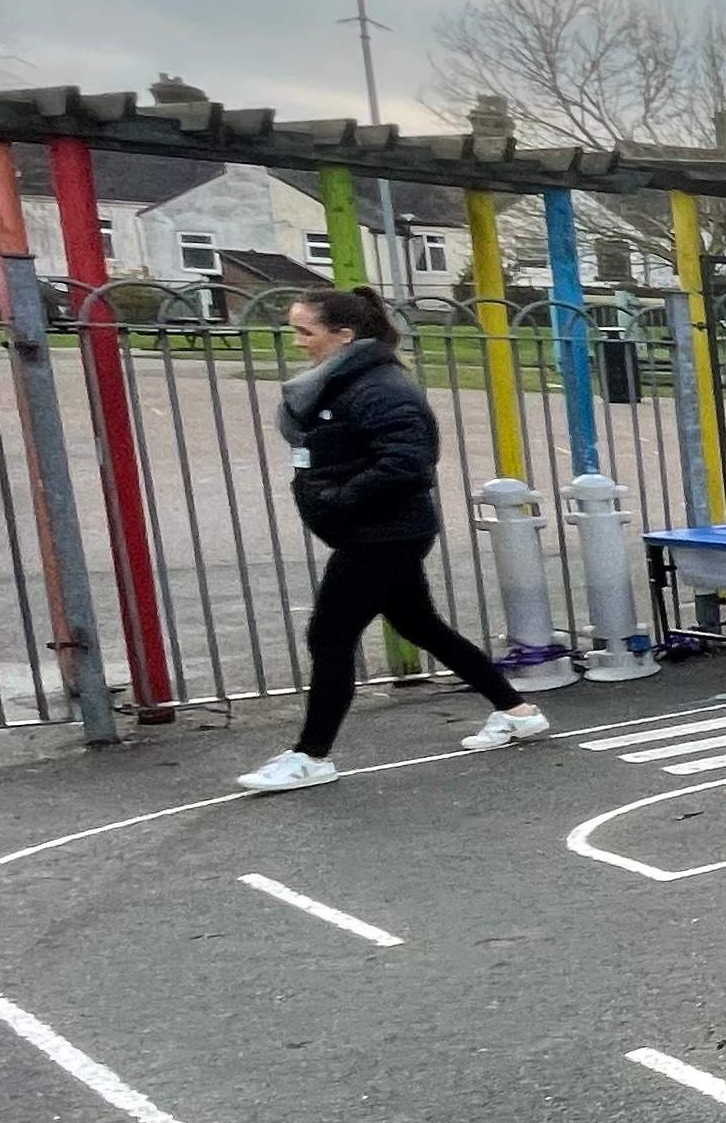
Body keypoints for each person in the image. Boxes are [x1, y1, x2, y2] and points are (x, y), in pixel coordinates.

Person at [234, 286, 548, 792]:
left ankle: (312, 755)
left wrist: (339, 498)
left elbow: (408, 462)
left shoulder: (381, 388)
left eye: (305, 331)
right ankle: (517, 710)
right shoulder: (344, 383)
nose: (298, 342)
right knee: (422, 625)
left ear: (344, 335)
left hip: (384, 534)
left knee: (330, 636)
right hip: (375, 530)